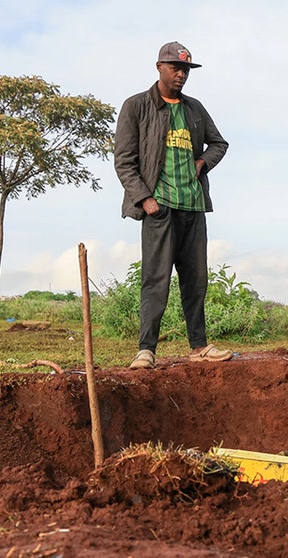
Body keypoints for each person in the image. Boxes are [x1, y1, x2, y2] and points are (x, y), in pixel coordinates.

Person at [114, 41, 232, 369]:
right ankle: (146, 350)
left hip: (193, 207)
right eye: (175, 68)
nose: (181, 74)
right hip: (160, 208)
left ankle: (199, 346)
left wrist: (202, 163)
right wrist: (144, 198)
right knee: (156, 279)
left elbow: (219, 143)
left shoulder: (194, 109)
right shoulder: (137, 106)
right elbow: (124, 160)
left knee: (196, 281)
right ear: (159, 68)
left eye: (185, 70)